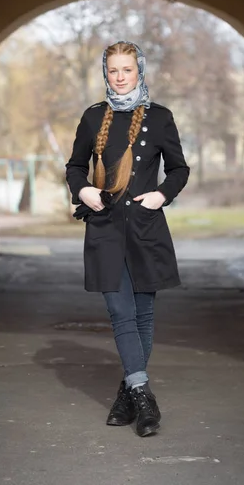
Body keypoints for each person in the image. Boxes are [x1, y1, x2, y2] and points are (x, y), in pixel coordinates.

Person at [65, 41, 189, 437]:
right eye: (114, 70)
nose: (120, 77)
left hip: (146, 228)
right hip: (104, 229)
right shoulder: (92, 117)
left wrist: (161, 195)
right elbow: (75, 167)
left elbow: (179, 169)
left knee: (144, 316)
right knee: (121, 314)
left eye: (128, 70)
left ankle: (126, 394)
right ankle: (145, 399)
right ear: (106, 73)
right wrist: (84, 192)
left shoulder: (161, 118)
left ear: (140, 72)